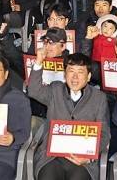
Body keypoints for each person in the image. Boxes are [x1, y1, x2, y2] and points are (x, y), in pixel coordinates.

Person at [27, 51, 110, 180]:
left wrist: (88, 158)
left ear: (88, 77)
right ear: (65, 74)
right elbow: (33, 90)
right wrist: (38, 62)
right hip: (52, 157)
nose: (75, 77)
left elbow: (104, 134)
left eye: (80, 72)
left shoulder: (99, 98)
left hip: (82, 160)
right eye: (71, 71)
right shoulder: (55, 90)